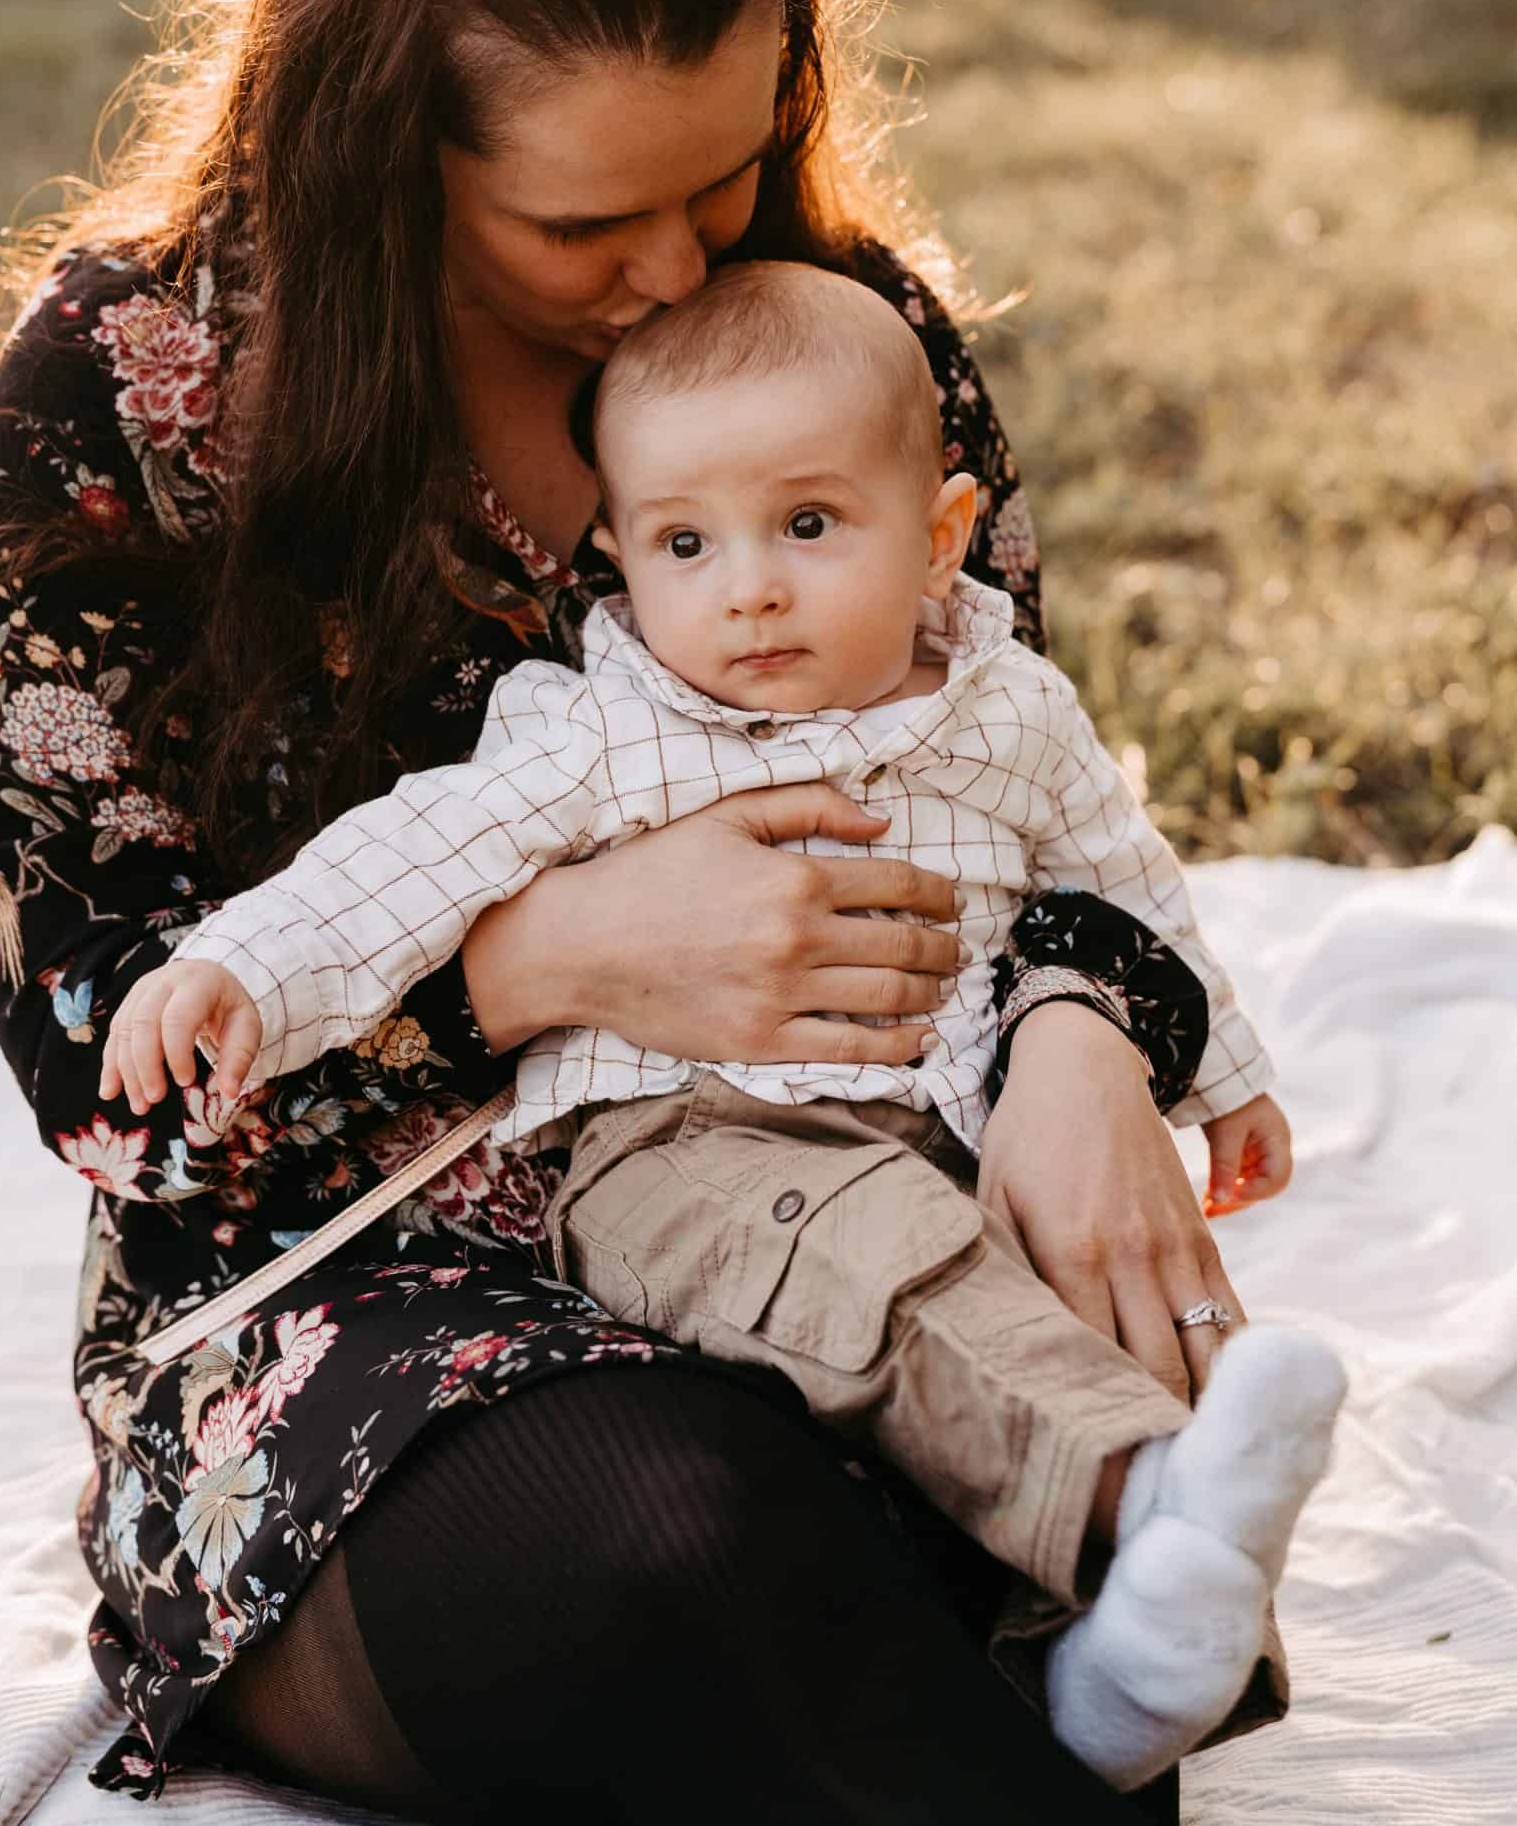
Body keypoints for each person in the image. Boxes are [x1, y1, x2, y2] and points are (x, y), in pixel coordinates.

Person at [0, 0, 1280, 1823]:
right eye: (582, 224)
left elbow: (1011, 763)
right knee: (683, 1547)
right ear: (376, 123)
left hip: (869, 1203)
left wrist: (1080, 1031)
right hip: (366, 1294)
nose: (676, 265)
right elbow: (107, 1073)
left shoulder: (842, 341)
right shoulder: (120, 405)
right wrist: (538, 960)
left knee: (1031, 1497)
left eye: (725, 177)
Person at [115, 259, 1343, 1793]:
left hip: (944, 1126)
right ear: (623, 557)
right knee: (895, 1276)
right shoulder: (609, 725)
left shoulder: (1012, 709)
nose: (748, 588)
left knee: (1035, 1303)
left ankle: (1113, 1675)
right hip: (689, 1142)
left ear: (940, 534)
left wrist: (1223, 1076)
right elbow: (411, 860)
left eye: (808, 526)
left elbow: (1121, 882)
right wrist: (244, 970)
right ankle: (1140, 1492)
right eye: (687, 544)